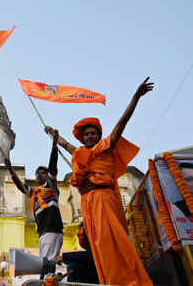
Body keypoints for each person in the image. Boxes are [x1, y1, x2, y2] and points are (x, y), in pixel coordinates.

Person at [46, 77, 154, 285]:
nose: (89, 136)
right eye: (86, 134)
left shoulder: (106, 146)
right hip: (87, 201)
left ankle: (127, 279)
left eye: (92, 133)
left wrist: (136, 97)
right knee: (96, 245)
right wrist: (53, 134)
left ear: (99, 135)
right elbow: (64, 144)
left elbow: (122, 122)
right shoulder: (80, 153)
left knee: (109, 241)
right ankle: (108, 279)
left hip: (103, 198)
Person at [4, 130, 63, 261]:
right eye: (37, 173)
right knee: (46, 263)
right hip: (43, 233)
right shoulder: (35, 193)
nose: (39, 175)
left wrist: (54, 148)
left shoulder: (50, 186)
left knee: (47, 264)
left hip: (52, 230)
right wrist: (10, 170)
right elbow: (21, 186)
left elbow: (53, 168)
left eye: (43, 173)